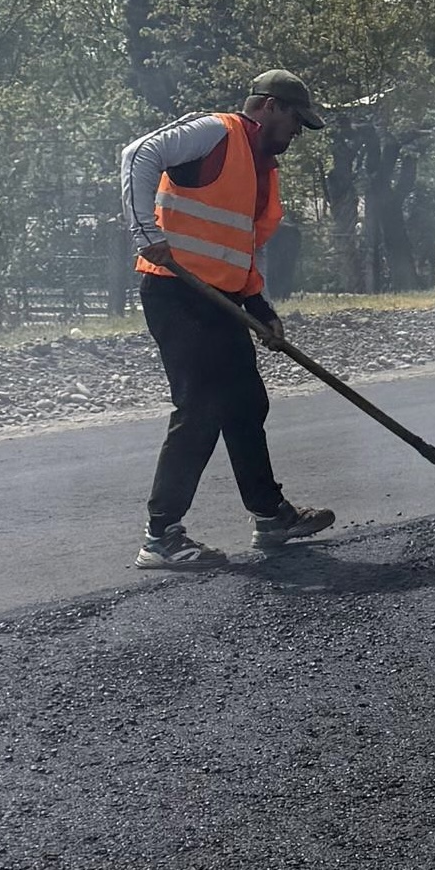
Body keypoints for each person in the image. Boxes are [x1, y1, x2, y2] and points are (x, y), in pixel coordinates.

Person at [121, 71, 340, 568]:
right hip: (176, 290)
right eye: (294, 121)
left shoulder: (263, 170)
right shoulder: (215, 132)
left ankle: (270, 516)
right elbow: (137, 154)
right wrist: (144, 232)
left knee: (245, 403)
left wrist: (259, 307)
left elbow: (244, 247)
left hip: (220, 298)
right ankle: (161, 538)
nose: (297, 134)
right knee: (200, 409)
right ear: (267, 106)